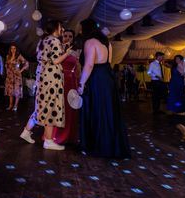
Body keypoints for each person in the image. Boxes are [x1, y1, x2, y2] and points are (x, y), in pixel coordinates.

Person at [77, 18, 130, 159]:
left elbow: (89, 65)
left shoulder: (90, 42)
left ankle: (96, 145)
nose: (80, 31)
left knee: (96, 110)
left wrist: (81, 84)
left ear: (86, 29)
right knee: (108, 111)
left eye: (81, 28)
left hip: (97, 78)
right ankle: (110, 145)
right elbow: (109, 62)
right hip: (108, 77)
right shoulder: (107, 43)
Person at [20, 20, 70, 150]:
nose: (62, 29)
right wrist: (67, 53)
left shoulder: (43, 40)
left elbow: (46, 56)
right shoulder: (54, 41)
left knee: (42, 105)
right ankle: (48, 141)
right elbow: (55, 60)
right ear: (55, 28)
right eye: (60, 27)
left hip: (42, 75)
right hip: (51, 76)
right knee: (50, 106)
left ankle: (26, 131)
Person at [54, 29, 81, 145]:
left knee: (70, 109)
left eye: (70, 36)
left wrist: (79, 83)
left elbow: (78, 69)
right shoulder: (58, 50)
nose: (67, 38)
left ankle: (69, 135)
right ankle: (55, 135)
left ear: (73, 38)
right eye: (65, 36)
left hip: (71, 82)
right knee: (58, 107)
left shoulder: (76, 52)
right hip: (58, 81)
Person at [5, 43, 28, 111]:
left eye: (14, 48)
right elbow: (6, 66)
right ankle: (10, 105)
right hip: (9, 76)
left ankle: (15, 105)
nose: (13, 50)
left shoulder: (19, 56)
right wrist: (7, 72)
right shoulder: (8, 56)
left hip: (17, 76)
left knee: (17, 91)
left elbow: (26, 63)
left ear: (16, 49)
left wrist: (21, 70)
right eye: (11, 48)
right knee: (10, 92)